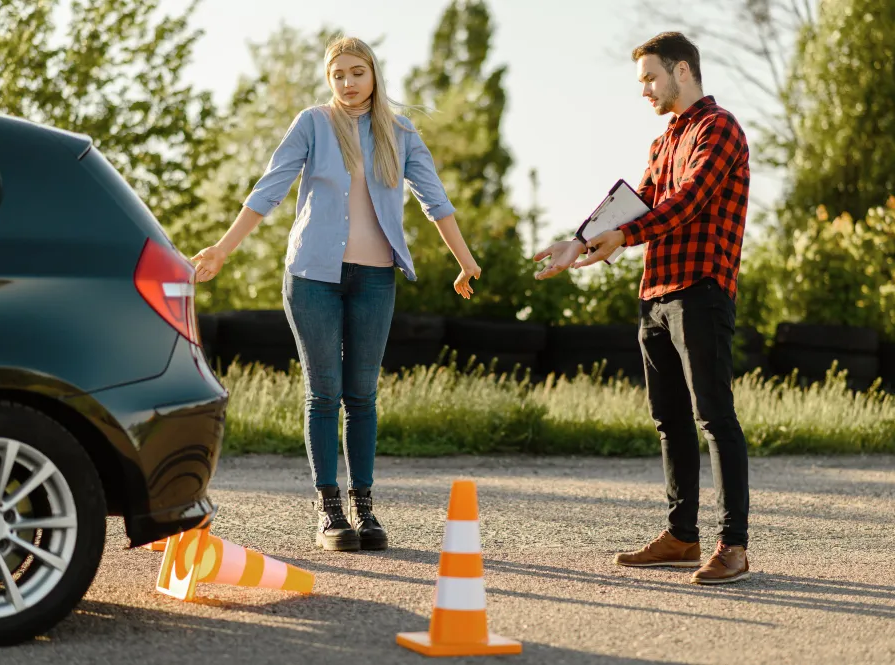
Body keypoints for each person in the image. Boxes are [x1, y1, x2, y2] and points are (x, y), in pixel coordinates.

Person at [192, 36, 481, 552]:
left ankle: (366, 510)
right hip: (312, 278)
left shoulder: (401, 132)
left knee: (362, 395)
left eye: (356, 72)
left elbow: (436, 200)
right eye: (338, 75)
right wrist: (222, 249)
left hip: (375, 279)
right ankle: (330, 512)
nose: (347, 84)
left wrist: (464, 259)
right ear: (329, 79)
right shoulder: (313, 124)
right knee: (324, 394)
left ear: (374, 73)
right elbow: (270, 188)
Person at [534, 32, 751, 584]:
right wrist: (579, 242)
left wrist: (626, 237)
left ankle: (734, 545)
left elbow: (688, 202)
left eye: (651, 78)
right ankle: (682, 536)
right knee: (668, 420)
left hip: (701, 289)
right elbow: (636, 203)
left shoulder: (718, 128)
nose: (645, 91)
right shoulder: (664, 143)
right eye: (641, 83)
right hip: (655, 295)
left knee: (713, 417)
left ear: (682, 71)